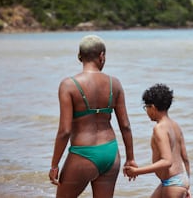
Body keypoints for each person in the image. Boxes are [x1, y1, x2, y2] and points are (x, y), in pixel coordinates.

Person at [49, 35, 137, 198]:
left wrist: (54, 164)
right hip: (110, 153)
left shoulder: (68, 85)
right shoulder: (115, 84)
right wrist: (130, 159)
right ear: (102, 56)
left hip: (83, 153)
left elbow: (65, 131)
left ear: (79, 56)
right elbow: (125, 126)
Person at [124, 84, 191, 198]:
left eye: (146, 107)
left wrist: (137, 171)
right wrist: (186, 185)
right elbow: (185, 158)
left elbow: (167, 161)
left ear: (153, 107)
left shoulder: (159, 128)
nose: (146, 111)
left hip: (172, 183)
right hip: (180, 179)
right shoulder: (175, 125)